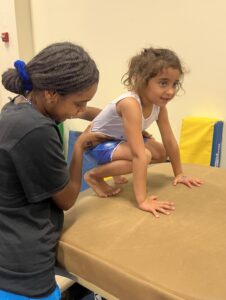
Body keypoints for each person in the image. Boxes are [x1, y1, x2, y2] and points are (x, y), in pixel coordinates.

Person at [0, 42, 108, 299]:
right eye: (79, 104)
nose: (81, 111)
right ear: (50, 93)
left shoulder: (17, 106)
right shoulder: (37, 130)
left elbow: (72, 110)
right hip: (22, 272)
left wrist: (120, 117)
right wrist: (80, 147)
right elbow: (68, 199)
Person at [84, 47, 203, 217]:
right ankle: (94, 176)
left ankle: (115, 172)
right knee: (145, 155)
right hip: (97, 144)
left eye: (174, 84)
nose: (170, 91)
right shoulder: (130, 104)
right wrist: (142, 200)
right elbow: (139, 154)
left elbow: (169, 139)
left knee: (161, 152)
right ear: (141, 80)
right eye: (163, 83)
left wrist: (180, 174)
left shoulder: (158, 106)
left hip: (119, 140)